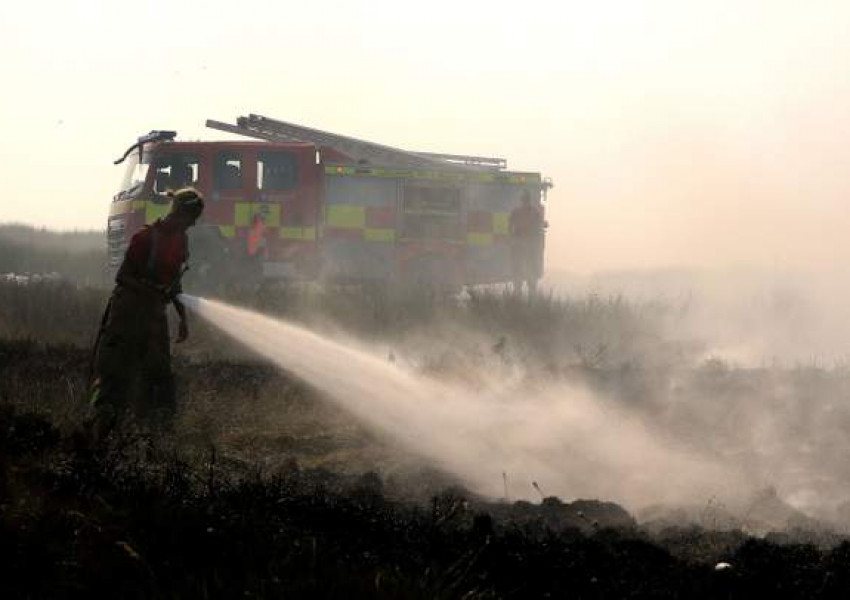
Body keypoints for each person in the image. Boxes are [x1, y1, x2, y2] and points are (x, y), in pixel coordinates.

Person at [88, 187, 204, 442]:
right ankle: (99, 431)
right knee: (114, 375)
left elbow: (174, 283)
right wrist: (151, 291)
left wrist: (183, 317)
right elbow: (122, 277)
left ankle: (154, 437)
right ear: (180, 213)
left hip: (154, 316)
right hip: (127, 313)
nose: (192, 225)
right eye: (191, 219)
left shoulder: (181, 240)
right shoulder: (145, 238)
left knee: (159, 377)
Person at [508, 190, 545, 293]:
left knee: (519, 271)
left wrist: (512, 241)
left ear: (522, 200)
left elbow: (510, 227)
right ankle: (529, 294)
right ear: (529, 200)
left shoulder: (516, 212)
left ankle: (518, 293)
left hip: (520, 245)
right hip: (530, 246)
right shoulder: (535, 212)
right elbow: (540, 229)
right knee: (530, 271)